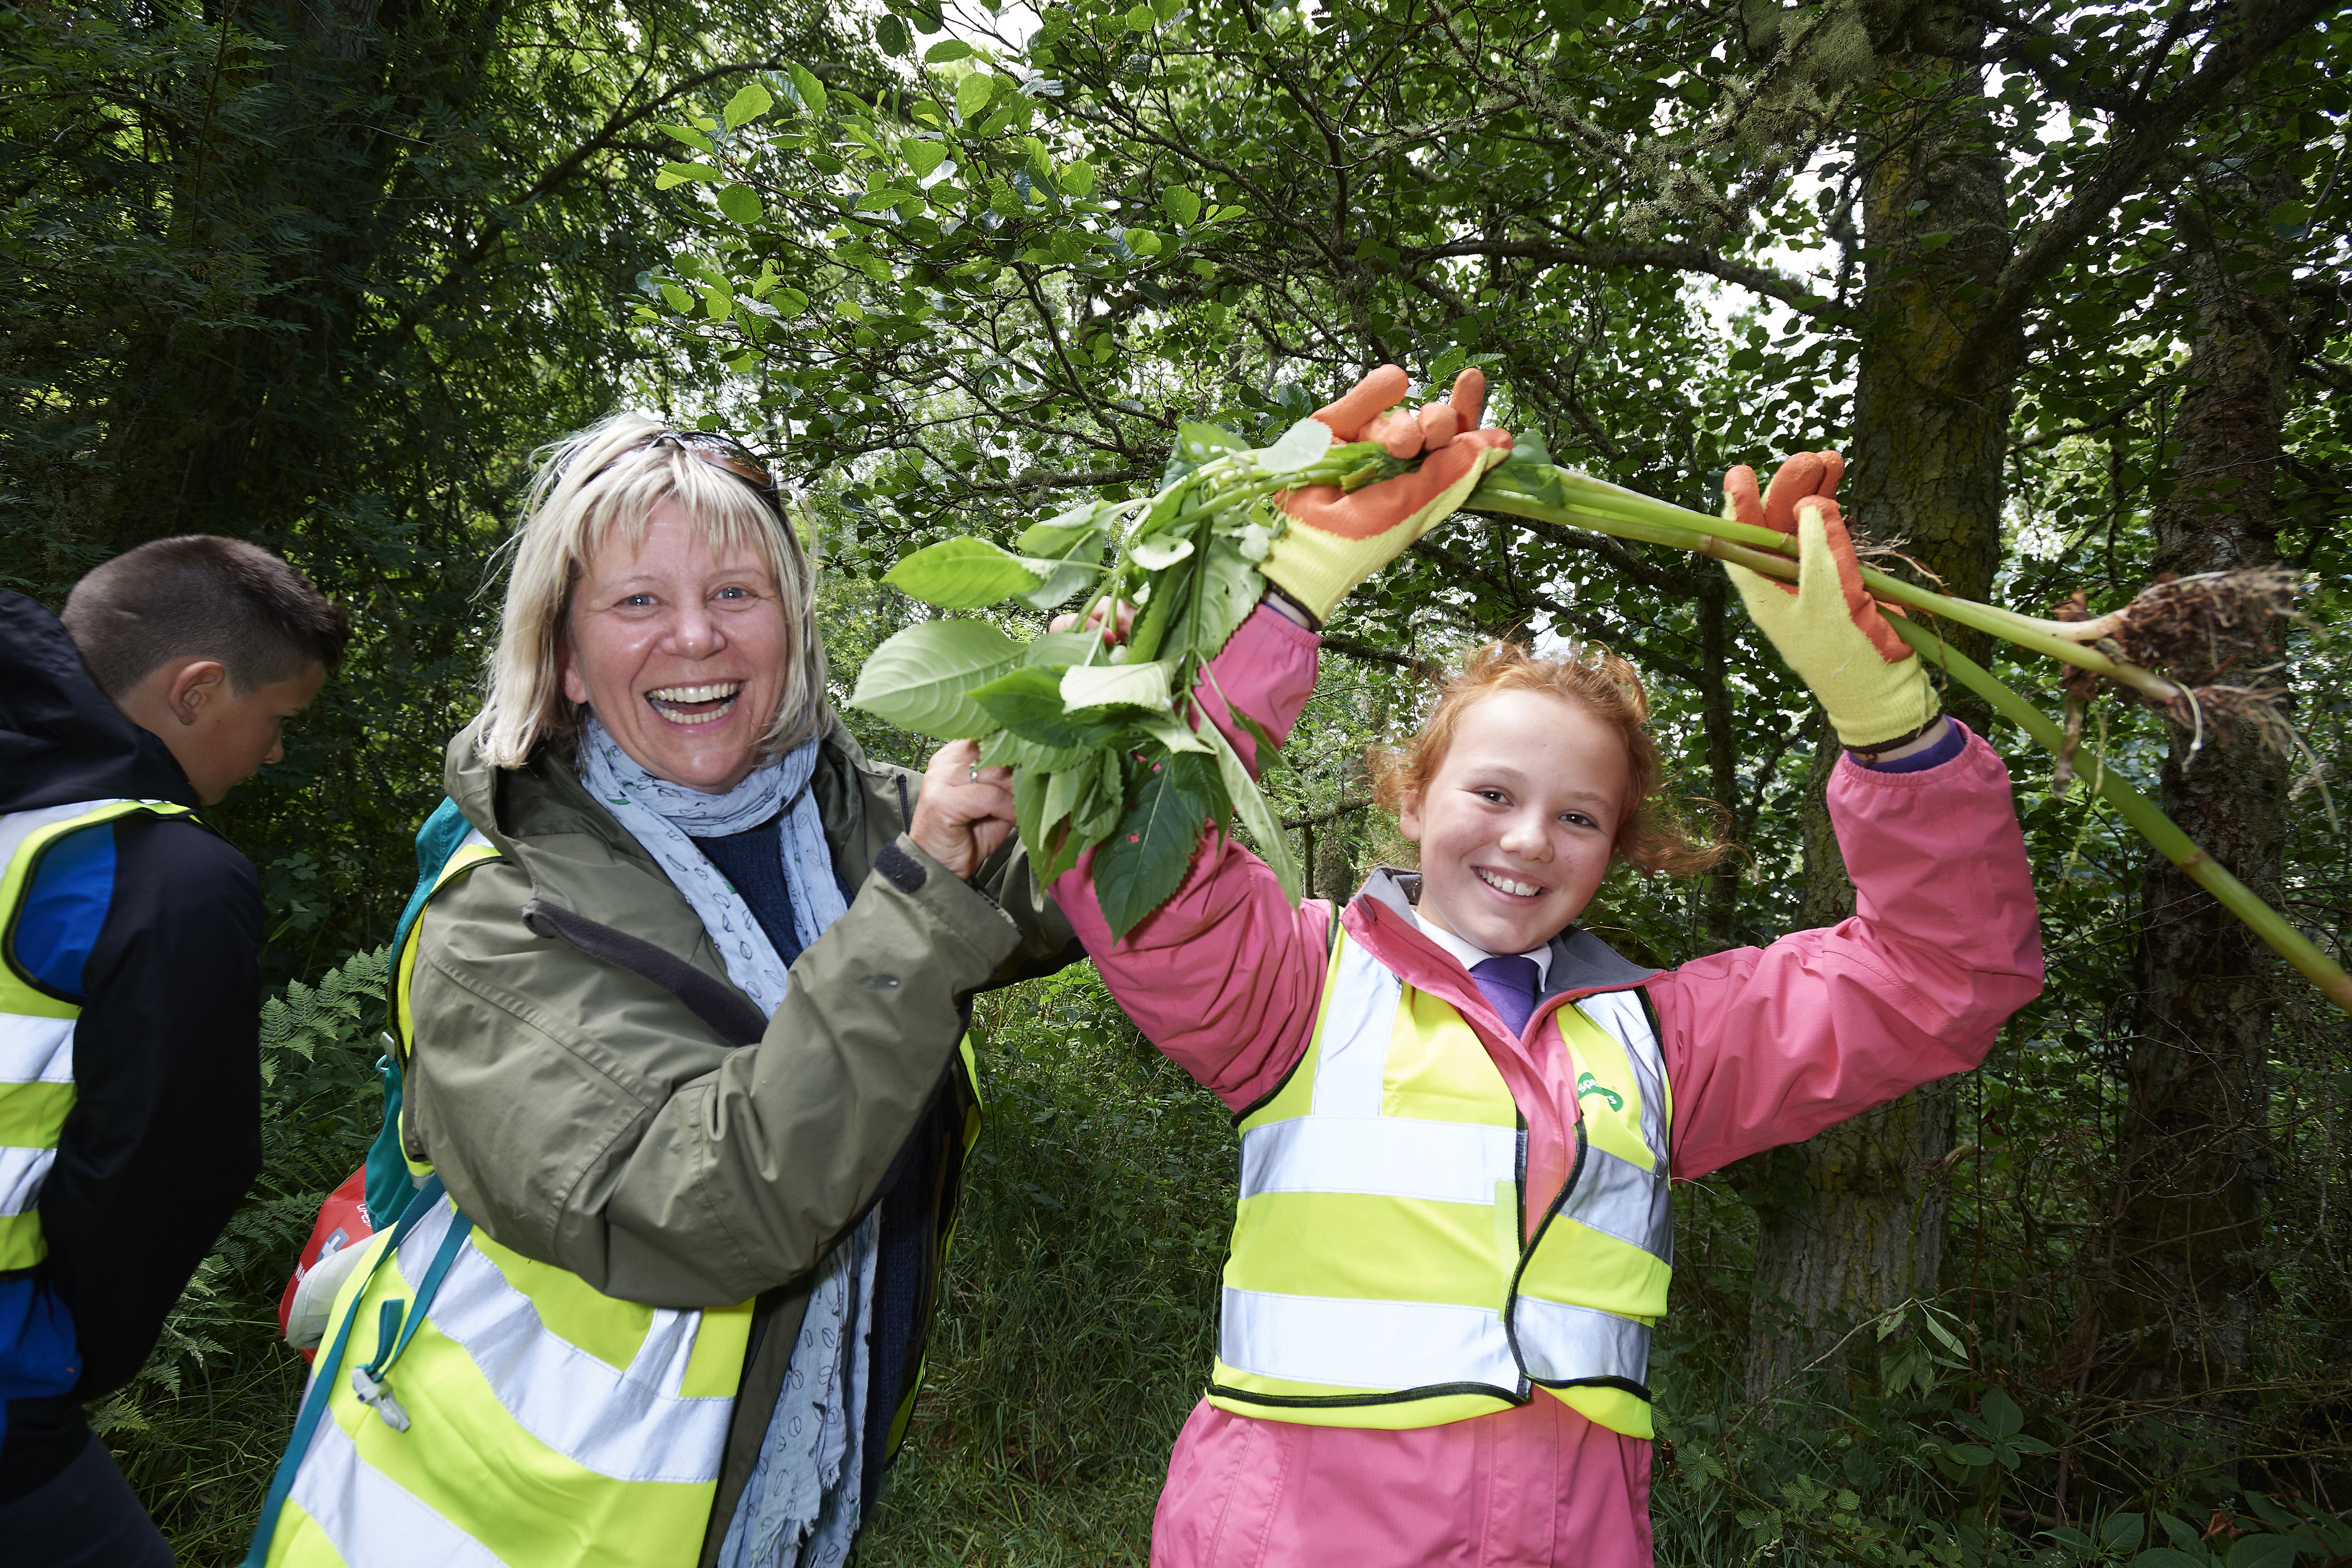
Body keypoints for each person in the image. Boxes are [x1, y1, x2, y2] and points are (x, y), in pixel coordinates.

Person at [1050, 381, 2045, 1565]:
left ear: (1615, 850)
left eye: (1578, 817)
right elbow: (1126, 852)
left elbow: (1949, 973)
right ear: (1414, 801)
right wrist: (1288, 594)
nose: (1528, 840)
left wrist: (1889, 726)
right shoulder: (1301, 986)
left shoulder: (1664, 1042)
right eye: (1493, 794)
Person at [245, 414, 1085, 1568]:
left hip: (775, 1514)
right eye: (637, 602)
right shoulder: (497, 915)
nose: (696, 637)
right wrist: (925, 893)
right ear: (567, 659)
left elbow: (1093, 879)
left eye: (738, 592)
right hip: (495, 1531)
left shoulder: (855, 821)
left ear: (792, 627)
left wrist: (1198, 626)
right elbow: (710, 1198)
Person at [0, 537, 348, 1566]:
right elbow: (164, 1167)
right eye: (278, 720)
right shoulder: (159, 877)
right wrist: (70, 1362)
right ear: (197, 690)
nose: (275, 753)